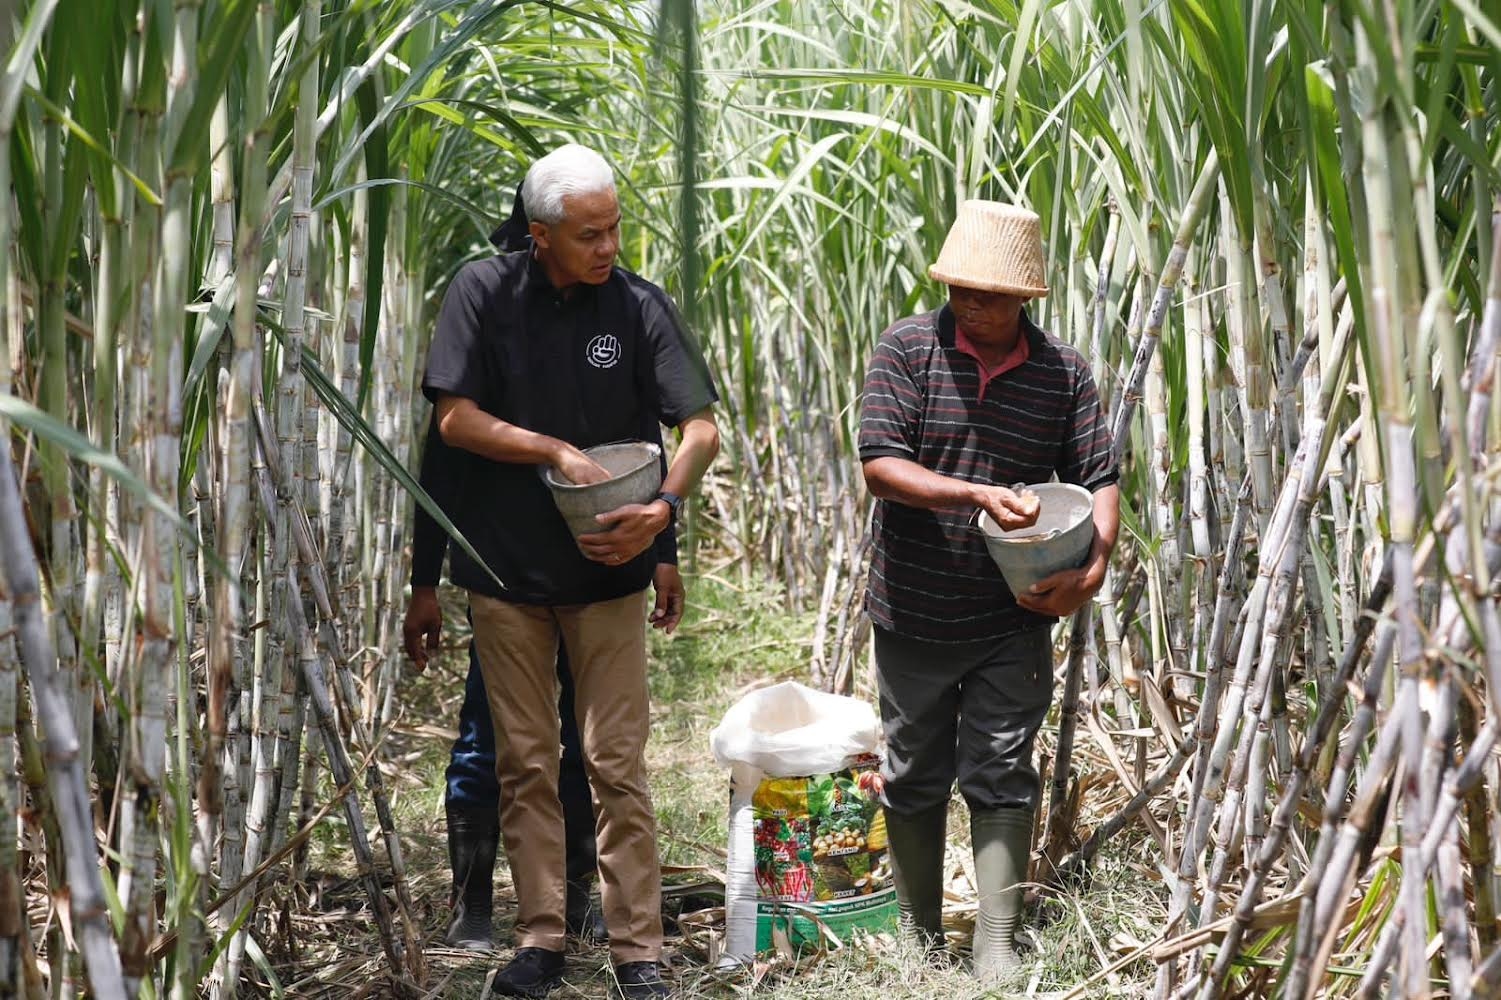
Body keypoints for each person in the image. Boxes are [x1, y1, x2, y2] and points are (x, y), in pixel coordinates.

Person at [421, 143, 719, 999]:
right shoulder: (483, 292)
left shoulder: (637, 306)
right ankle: (541, 937)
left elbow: (697, 428)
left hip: (609, 573)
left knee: (615, 760)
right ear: (540, 233)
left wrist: (660, 517)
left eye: (616, 228)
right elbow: (454, 421)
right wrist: (554, 449)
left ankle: (639, 949)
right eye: (589, 234)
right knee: (523, 760)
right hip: (505, 572)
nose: (608, 247)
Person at [857, 201, 1119, 981]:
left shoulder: (1062, 373)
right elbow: (879, 464)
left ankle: (995, 942)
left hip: (1016, 609)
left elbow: (1097, 476)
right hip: (913, 605)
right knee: (912, 766)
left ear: (1026, 299)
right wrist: (974, 495)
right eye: (961, 289)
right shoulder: (906, 349)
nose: (972, 304)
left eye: (991, 294)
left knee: (1002, 766)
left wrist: (1094, 566)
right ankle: (917, 934)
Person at [402, 420, 684, 952]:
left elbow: (646, 458)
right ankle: (473, 903)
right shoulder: (484, 350)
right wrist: (425, 582)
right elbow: (443, 459)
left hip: (594, 580)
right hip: (507, 580)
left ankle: (576, 894)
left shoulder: (607, 344)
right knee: (492, 741)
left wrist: (663, 552)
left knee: (591, 744)